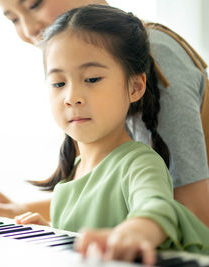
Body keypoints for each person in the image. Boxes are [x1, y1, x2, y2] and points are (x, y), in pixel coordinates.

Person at [0, 0, 209, 228]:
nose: (29, 30)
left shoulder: (156, 54)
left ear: (136, 86)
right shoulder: (83, 158)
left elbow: (187, 213)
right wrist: (20, 215)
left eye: (33, 5)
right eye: (14, 19)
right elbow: (108, 195)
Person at [19, 5, 208, 264]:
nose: (71, 97)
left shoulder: (138, 162)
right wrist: (53, 234)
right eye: (59, 83)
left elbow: (158, 207)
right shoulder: (73, 172)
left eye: (92, 79)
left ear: (135, 87)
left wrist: (138, 229)